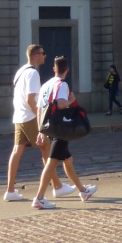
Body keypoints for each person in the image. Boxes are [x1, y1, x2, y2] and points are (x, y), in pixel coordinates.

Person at [5, 45, 69, 202]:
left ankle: (10, 190)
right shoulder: (33, 73)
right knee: (47, 149)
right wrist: (41, 118)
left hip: (19, 116)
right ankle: (57, 186)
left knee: (17, 151)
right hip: (30, 116)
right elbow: (30, 99)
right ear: (35, 56)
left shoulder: (21, 71)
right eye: (42, 53)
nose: (45, 56)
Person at [31, 56, 97, 210]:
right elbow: (61, 104)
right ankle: (39, 198)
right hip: (61, 128)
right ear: (67, 69)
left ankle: (83, 191)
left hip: (49, 126)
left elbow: (40, 110)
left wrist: (41, 131)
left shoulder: (45, 85)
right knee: (52, 162)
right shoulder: (63, 84)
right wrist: (70, 100)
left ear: (54, 69)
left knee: (68, 160)